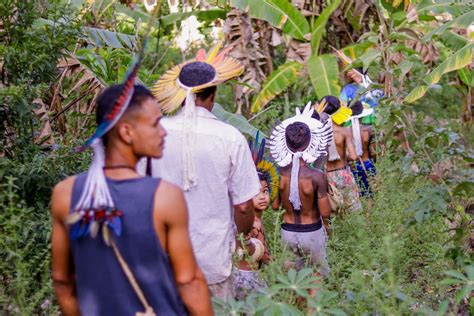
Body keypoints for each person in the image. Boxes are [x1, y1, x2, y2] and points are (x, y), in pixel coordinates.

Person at [51, 79, 212, 315]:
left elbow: (62, 280)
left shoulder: (65, 194)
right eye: (156, 123)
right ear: (126, 132)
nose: (163, 131)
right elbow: (189, 282)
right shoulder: (165, 197)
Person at [150, 44, 260, 300]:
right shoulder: (230, 137)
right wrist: (242, 239)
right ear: (213, 95)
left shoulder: (154, 132)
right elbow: (244, 207)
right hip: (213, 260)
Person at [269, 103, 332, 276]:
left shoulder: (280, 174)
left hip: (287, 232)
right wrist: (327, 227)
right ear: (311, 142)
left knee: (293, 279)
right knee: (316, 276)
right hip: (311, 231)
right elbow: (326, 211)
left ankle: (296, 303)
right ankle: (313, 304)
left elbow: (275, 206)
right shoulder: (316, 176)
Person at [233, 134, 279, 300]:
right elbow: (263, 256)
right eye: (256, 191)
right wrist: (279, 264)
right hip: (248, 277)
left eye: (265, 191)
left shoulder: (258, 221)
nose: (262, 196)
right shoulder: (251, 225)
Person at [315, 96, 362, 213]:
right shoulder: (344, 132)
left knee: (335, 212)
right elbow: (354, 156)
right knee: (354, 211)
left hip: (327, 177)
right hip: (344, 173)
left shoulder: (317, 134)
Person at [344, 101, 377, 197]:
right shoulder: (369, 129)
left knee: (359, 194)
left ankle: (366, 211)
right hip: (368, 163)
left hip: (353, 166)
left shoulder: (344, 132)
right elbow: (374, 151)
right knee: (374, 192)